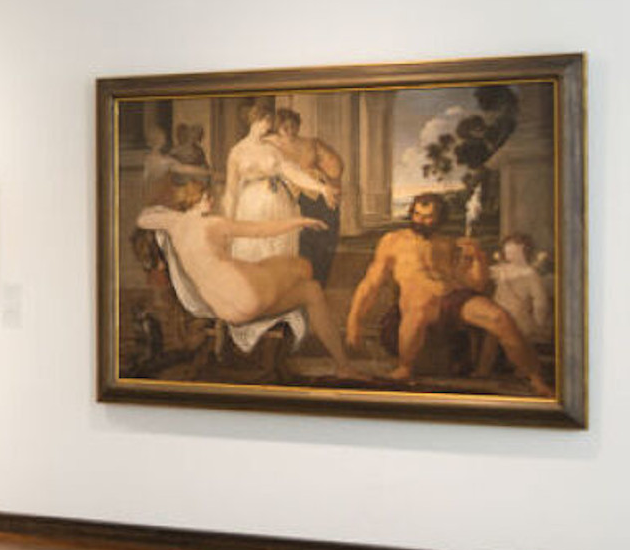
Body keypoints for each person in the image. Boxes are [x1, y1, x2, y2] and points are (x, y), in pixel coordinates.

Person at [344, 193, 550, 394]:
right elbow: (370, 284)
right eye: (416, 215)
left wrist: (477, 257)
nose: (420, 221)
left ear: (439, 219)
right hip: (416, 304)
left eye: (427, 217)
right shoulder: (393, 241)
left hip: (453, 299)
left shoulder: (448, 244)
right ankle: (405, 367)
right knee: (418, 308)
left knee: (500, 317)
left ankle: (535, 378)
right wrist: (354, 320)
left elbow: (476, 285)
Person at [137, 183, 352, 369]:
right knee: (304, 269)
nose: (212, 201)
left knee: (309, 289)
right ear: (198, 199)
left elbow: (143, 219)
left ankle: (340, 363)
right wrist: (300, 221)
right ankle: (343, 364)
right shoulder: (212, 224)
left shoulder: (174, 226)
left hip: (227, 311)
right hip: (249, 296)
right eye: (208, 197)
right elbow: (260, 230)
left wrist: (175, 216)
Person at [222, 99, 334, 263]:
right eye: (266, 121)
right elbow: (231, 191)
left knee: (278, 250)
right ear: (255, 121)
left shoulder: (272, 149)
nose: (269, 126)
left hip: (278, 202)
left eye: (270, 121)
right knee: (254, 249)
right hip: (251, 206)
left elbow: (292, 172)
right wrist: (229, 223)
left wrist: (321, 188)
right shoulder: (237, 152)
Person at [270, 109, 346, 283]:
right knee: (303, 242)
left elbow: (336, 166)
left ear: (298, 125)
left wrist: (331, 184)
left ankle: (319, 281)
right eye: (284, 126)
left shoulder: (311, 143)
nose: (289, 130)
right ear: (277, 127)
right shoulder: (272, 147)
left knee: (327, 235)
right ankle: (303, 283)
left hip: (319, 196)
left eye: (293, 125)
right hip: (293, 199)